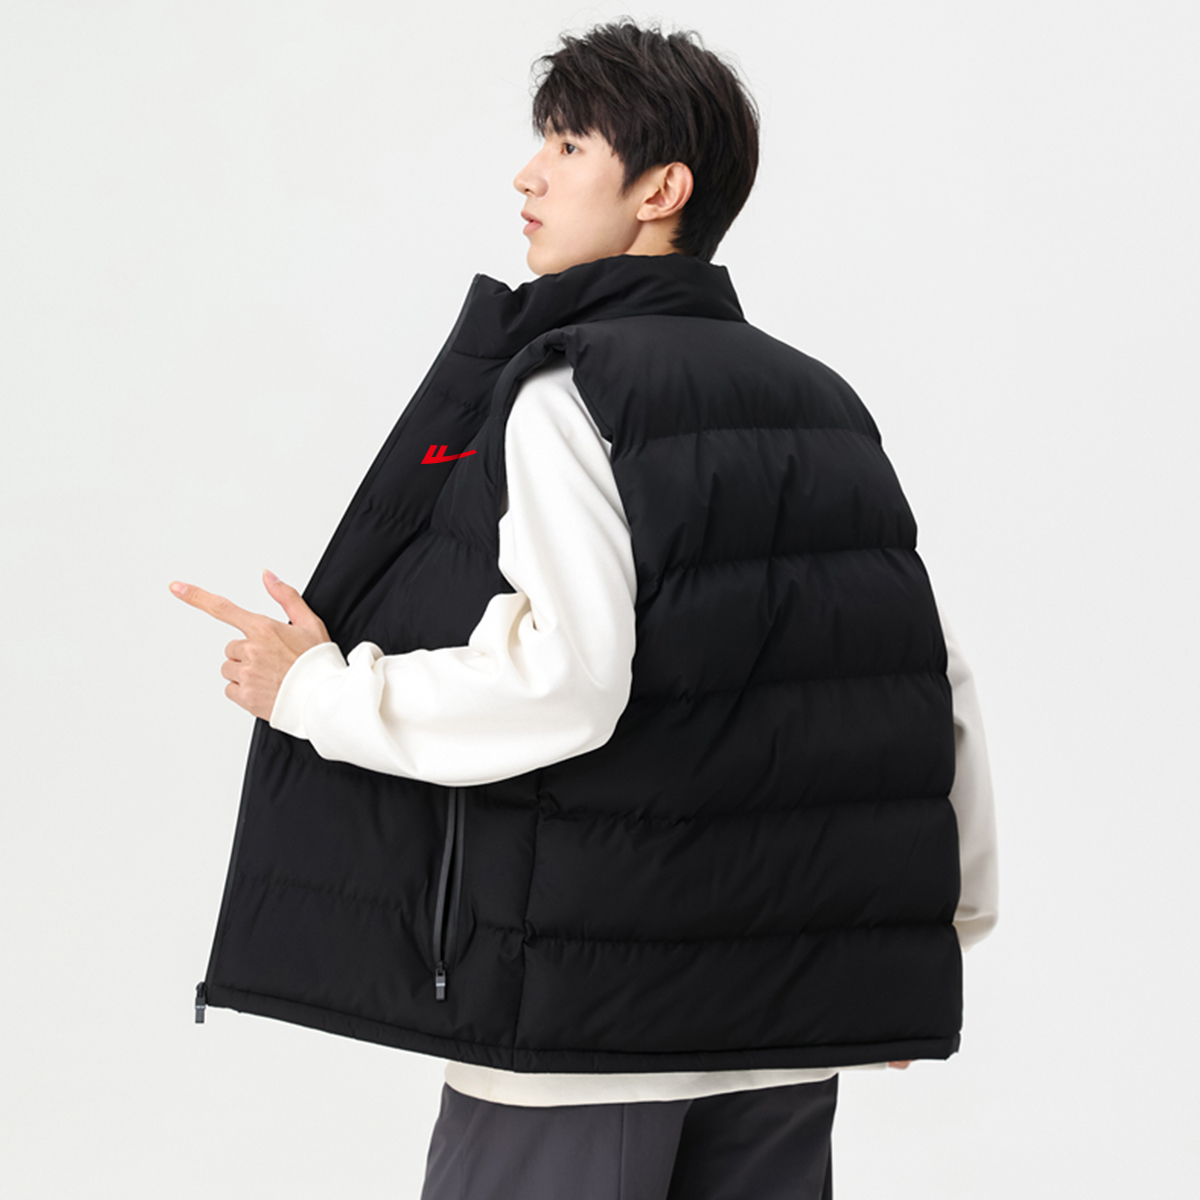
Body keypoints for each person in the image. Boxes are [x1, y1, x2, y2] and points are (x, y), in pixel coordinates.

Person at [171, 19, 998, 1200]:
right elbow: (920, 682)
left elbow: (565, 682)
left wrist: (314, 691)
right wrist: (919, 947)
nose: (528, 175)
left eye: (567, 146)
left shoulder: (570, 388)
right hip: (785, 1024)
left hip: (582, 1029)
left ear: (662, 190)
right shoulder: (823, 400)